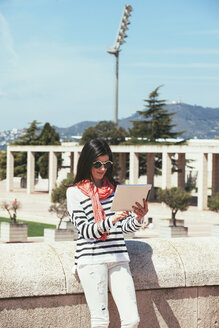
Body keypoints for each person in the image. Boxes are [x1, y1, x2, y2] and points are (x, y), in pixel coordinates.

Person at [66, 138, 149, 328]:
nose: (102, 169)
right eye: (97, 164)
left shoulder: (115, 190)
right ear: (87, 162)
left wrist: (137, 218)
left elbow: (123, 228)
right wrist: (111, 219)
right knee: (101, 321)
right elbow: (85, 230)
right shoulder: (74, 193)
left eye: (106, 164)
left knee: (132, 319)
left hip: (118, 257)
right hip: (91, 260)